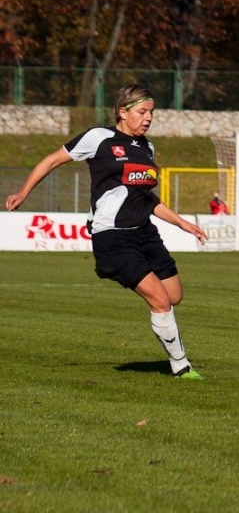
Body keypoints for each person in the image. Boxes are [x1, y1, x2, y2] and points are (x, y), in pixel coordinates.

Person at [5, 84, 207, 379]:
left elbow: (147, 199)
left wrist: (182, 223)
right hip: (113, 236)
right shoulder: (98, 138)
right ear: (123, 112)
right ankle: (181, 365)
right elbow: (52, 159)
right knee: (160, 301)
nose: (148, 118)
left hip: (146, 234)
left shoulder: (147, 148)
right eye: (142, 112)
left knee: (174, 296)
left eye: (151, 112)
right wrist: (24, 191)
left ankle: (167, 336)